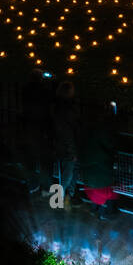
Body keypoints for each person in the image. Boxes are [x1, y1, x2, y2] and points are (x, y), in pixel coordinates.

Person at [81, 102, 120, 220]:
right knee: (110, 191)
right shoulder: (103, 132)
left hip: (88, 182)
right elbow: (110, 144)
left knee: (104, 190)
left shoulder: (86, 130)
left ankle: (98, 209)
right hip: (100, 183)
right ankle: (106, 212)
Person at [51, 81, 80, 209]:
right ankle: (57, 200)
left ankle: (65, 196)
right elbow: (68, 132)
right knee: (67, 174)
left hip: (60, 144)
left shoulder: (57, 106)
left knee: (67, 172)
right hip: (67, 147)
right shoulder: (67, 110)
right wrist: (73, 151)